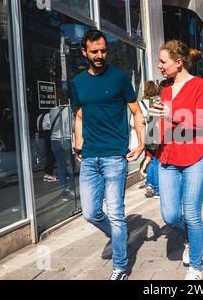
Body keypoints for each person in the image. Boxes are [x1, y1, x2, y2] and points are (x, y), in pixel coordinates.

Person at [72, 29, 145, 280]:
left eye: (103, 50)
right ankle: (116, 236)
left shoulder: (120, 78)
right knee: (91, 213)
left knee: (115, 212)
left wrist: (141, 143)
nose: (100, 55)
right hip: (90, 157)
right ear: (85, 53)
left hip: (115, 156)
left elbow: (136, 112)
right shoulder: (78, 82)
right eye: (94, 51)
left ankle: (121, 266)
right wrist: (78, 144)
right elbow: (80, 115)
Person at [149, 40, 203, 280]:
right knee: (170, 216)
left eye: (163, 62)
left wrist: (171, 114)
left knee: (193, 214)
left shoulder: (200, 85)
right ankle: (190, 234)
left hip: (195, 157)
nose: (159, 66)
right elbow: (157, 124)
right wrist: (147, 151)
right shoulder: (162, 88)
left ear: (179, 62)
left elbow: (201, 121)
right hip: (167, 157)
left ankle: (196, 266)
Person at [138, 80, 161, 199]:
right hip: (157, 133)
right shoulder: (157, 101)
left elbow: (138, 122)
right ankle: (157, 189)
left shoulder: (140, 104)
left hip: (146, 135)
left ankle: (149, 184)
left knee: (150, 159)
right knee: (156, 160)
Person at [50, 101, 75, 202]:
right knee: (71, 165)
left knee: (61, 167)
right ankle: (70, 188)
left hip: (54, 140)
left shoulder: (52, 109)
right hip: (65, 139)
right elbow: (72, 126)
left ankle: (64, 193)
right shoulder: (68, 109)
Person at [37, 110, 57, 182]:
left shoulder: (39, 116)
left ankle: (46, 173)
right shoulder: (48, 115)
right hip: (48, 134)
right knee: (50, 154)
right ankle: (49, 174)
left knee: (47, 154)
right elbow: (50, 125)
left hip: (41, 135)